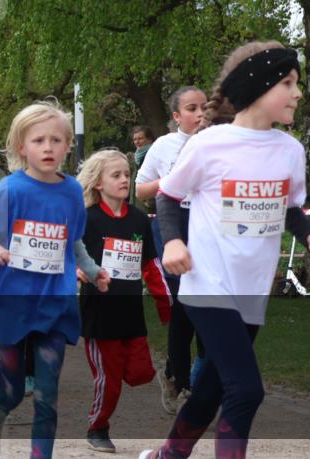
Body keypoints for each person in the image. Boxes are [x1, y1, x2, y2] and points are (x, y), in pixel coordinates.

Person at [140, 41, 310, 459]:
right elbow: (168, 197)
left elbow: (289, 207)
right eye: (288, 83)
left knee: (210, 388)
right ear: (258, 88)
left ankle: (168, 454)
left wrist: (309, 235)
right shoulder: (210, 144)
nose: (298, 93)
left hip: (252, 289)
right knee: (246, 390)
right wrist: (173, 241)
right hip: (208, 283)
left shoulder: (290, 150)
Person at [0, 100, 109, 459]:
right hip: (12, 304)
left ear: (68, 145)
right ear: (21, 147)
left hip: (56, 304)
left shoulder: (73, 190)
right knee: (10, 393)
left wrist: (92, 271)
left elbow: (74, 241)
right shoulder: (10, 189)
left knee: (46, 396)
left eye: (56, 140)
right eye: (39, 140)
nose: (48, 147)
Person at [77, 149, 171, 453]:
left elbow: (151, 265)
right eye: (115, 175)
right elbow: (67, 254)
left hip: (131, 313)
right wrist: (78, 272)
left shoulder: (139, 220)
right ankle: (97, 427)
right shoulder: (87, 219)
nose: (124, 180)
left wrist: (165, 303)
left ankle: (170, 380)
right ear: (98, 183)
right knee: (110, 379)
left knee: (142, 372)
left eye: (126, 175)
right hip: (99, 315)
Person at [135, 86, 207, 412]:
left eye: (204, 107)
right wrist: (173, 181)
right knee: (184, 303)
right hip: (174, 224)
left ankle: (198, 375)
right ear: (176, 117)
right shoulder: (164, 146)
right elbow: (140, 190)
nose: (200, 114)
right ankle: (179, 377)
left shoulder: (220, 141)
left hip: (210, 228)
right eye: (191, 108)